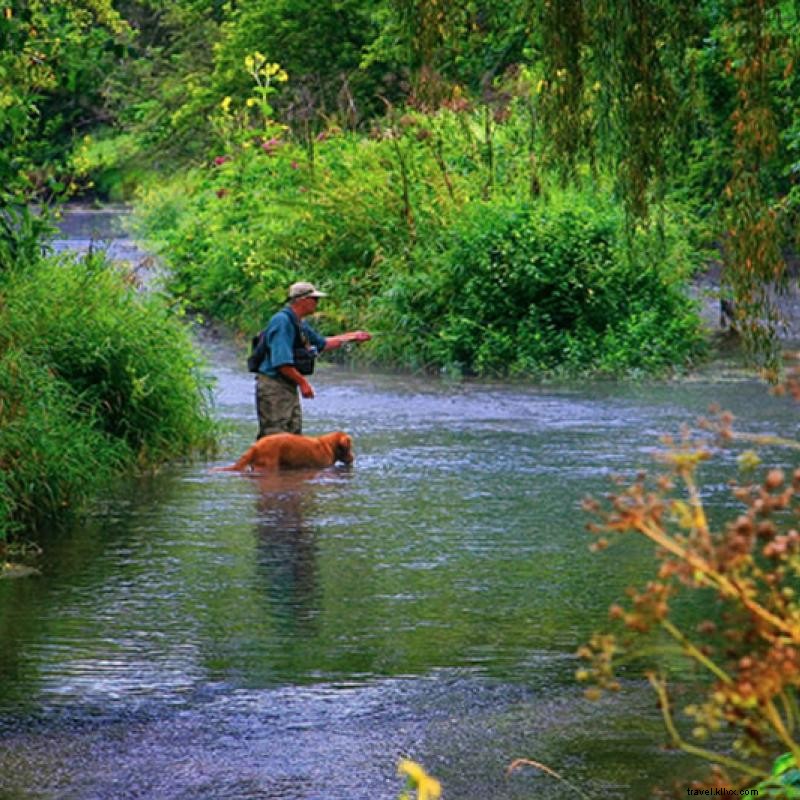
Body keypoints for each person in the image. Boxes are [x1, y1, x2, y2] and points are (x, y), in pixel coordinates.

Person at [254, 281, 371, 439]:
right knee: (275, 438)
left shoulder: (298, 322)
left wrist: (353, 336)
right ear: (302, 300)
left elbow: (322, 344)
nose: (317, 303)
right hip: (274, 386)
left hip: (287, 385)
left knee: (293, 437)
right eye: (314, 299)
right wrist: (303, 383)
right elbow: (281, 362)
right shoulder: (282, 322)